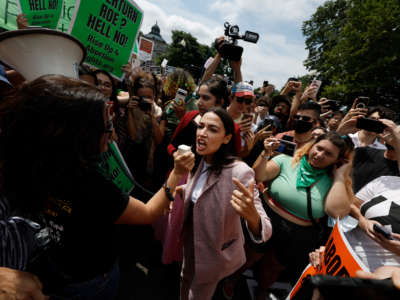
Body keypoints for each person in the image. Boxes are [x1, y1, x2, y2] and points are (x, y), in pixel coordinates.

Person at [0, 75, 195, 299]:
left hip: (58, 263)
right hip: (92, 281)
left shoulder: (33, 161)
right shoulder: (92, 186)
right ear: (82, 134)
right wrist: (178, 173)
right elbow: (149, 213)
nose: (112, 133)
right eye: (106, 126)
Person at [180, 107, 272, 300]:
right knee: (184, 282)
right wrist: (183, 194)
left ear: (227, 138)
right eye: (201, 126)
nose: (202, 133)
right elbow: (200, 193)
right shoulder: (197, 160)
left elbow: (265, 227)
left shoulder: (240, 172)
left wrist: (252, 217)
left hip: (214, 255)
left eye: (212, 129)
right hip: (189, 245)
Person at [250, 132, 354, 300]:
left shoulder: (334, 181)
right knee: (250, 257)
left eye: (329, 154)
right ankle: (231, 281)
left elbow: (336, 211)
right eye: (319, 148)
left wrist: (340, 176)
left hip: (298, 235)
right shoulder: (286, 160)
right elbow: (259, 175)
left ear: (338, 160)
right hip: (266, 220)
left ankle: (262, 291)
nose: (320, 155)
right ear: (311, 145)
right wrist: (265, 153)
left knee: (274, 267)